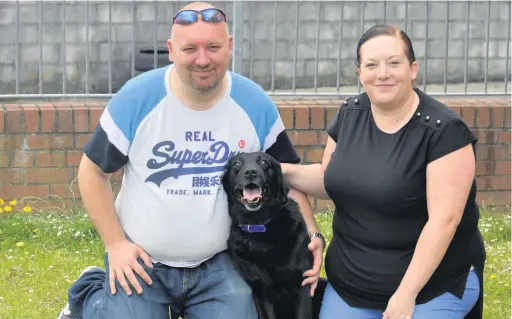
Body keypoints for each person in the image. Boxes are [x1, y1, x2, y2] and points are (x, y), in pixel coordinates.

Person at [57, 2, 324, 319]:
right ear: (171, 50)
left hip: (220, 259)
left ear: (229, 47)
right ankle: (88, 295)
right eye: (190, 49)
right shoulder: (137, 98)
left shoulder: (255, 103)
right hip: (144, 260)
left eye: (213, 47)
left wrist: (311, 232)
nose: (202, 59)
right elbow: (92, 171)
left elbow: (286, 177)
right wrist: (115, 245)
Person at [281, 25, 486, 319]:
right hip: (351, 288)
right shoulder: (350, 114)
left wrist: (406, 295)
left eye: (394, 63)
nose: (382, 74)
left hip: (430, 289)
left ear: (413, 69)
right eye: (371, 65)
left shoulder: (445, 131)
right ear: (359, 72)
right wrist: (279, 170)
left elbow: (445, 222)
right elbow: (330, 178)